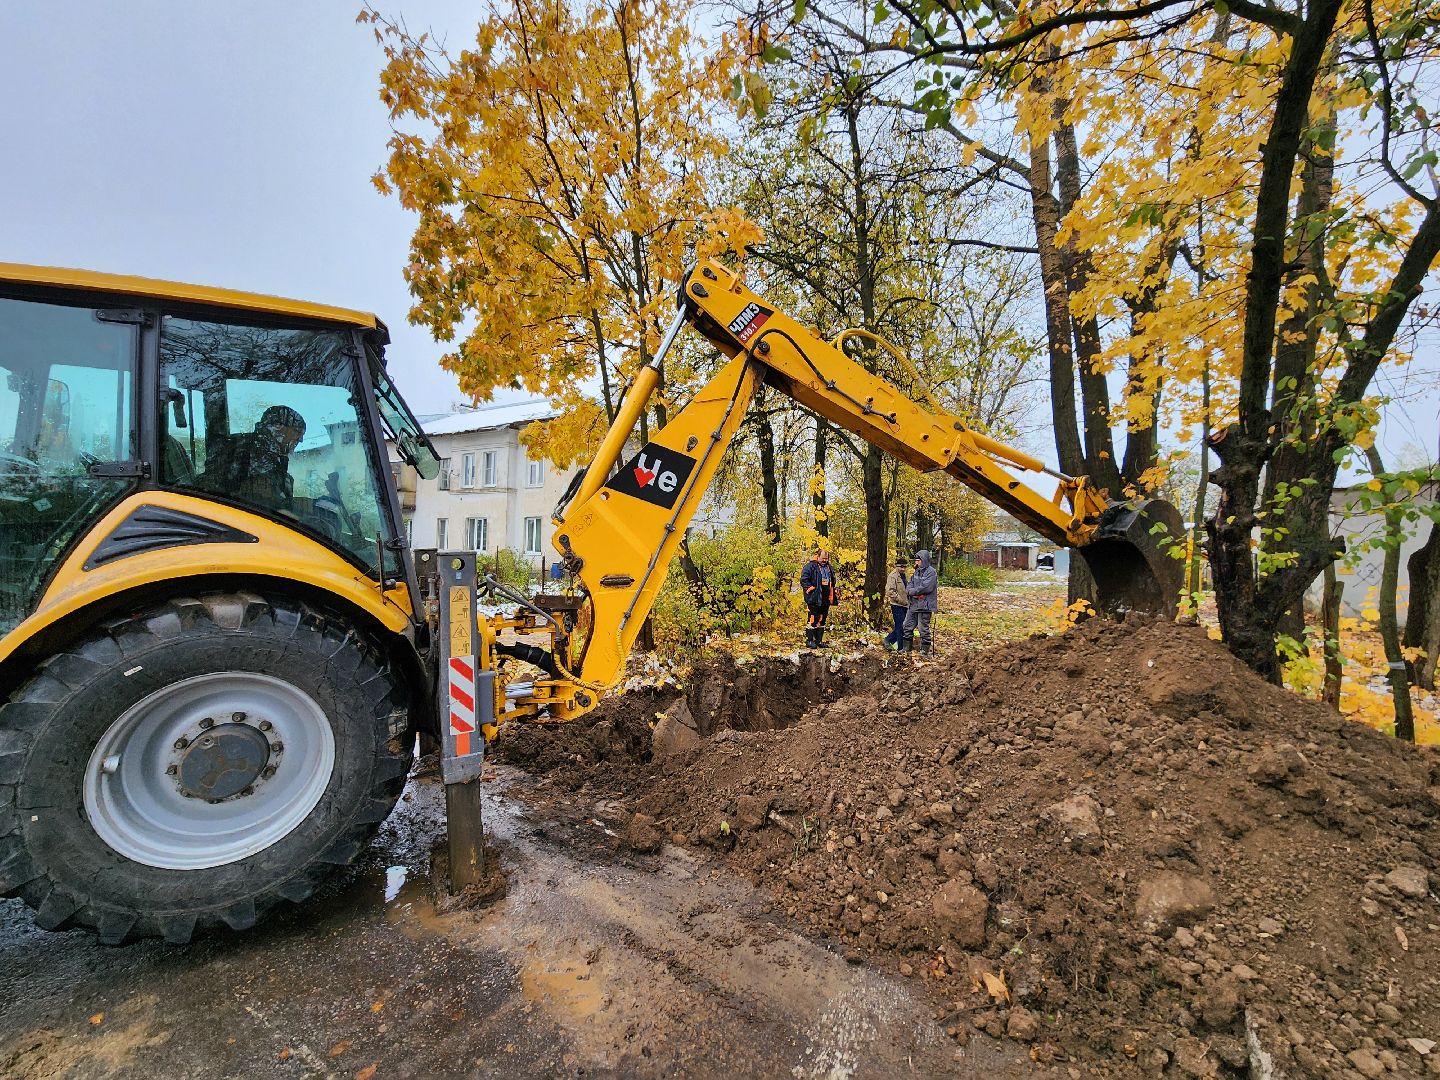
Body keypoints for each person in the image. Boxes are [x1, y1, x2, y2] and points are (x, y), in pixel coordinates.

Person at [220, 405, 306, 507]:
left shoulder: (276, 459)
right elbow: (259, 500)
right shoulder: (250, 454)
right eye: (297, 432)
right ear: (279, 427)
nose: (300, 440)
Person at [799, 549, 839, 648]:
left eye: (826, 558)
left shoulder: (829, 567)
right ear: (818, 556)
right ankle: (809, 641)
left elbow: (833, 580)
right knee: (813, 618)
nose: (824, 560)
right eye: (823, 558)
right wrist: (810, 589)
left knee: (822, 618)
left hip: (826, 597)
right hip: (814, 597)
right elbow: (804, 579)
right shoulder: (810, 566)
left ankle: (819, 641)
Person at [902, 549, 938, 655]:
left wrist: (912, 591)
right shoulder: (916, 571)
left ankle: (924, 651)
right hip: (913, 604)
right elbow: (910, 583)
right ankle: (907, 649)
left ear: (924, 560)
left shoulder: (931, 572)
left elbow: (926, 587)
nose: (916, 562)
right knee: (907, 625)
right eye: (916, 560)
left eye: (918, 560)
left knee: (923, 629)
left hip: (925, 605)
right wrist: (909, 590)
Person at [882, 556, 908, 650]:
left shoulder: (904, 575)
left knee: (902, 626)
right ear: (896, 566)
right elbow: (890, 591)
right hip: (897, 605)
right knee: (900, 627)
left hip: (905, 605)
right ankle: (900, 648)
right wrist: (901, 600)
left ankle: (888, 640)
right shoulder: (893, 576)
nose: (903, 568)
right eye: (901, 566)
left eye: (904, 567)